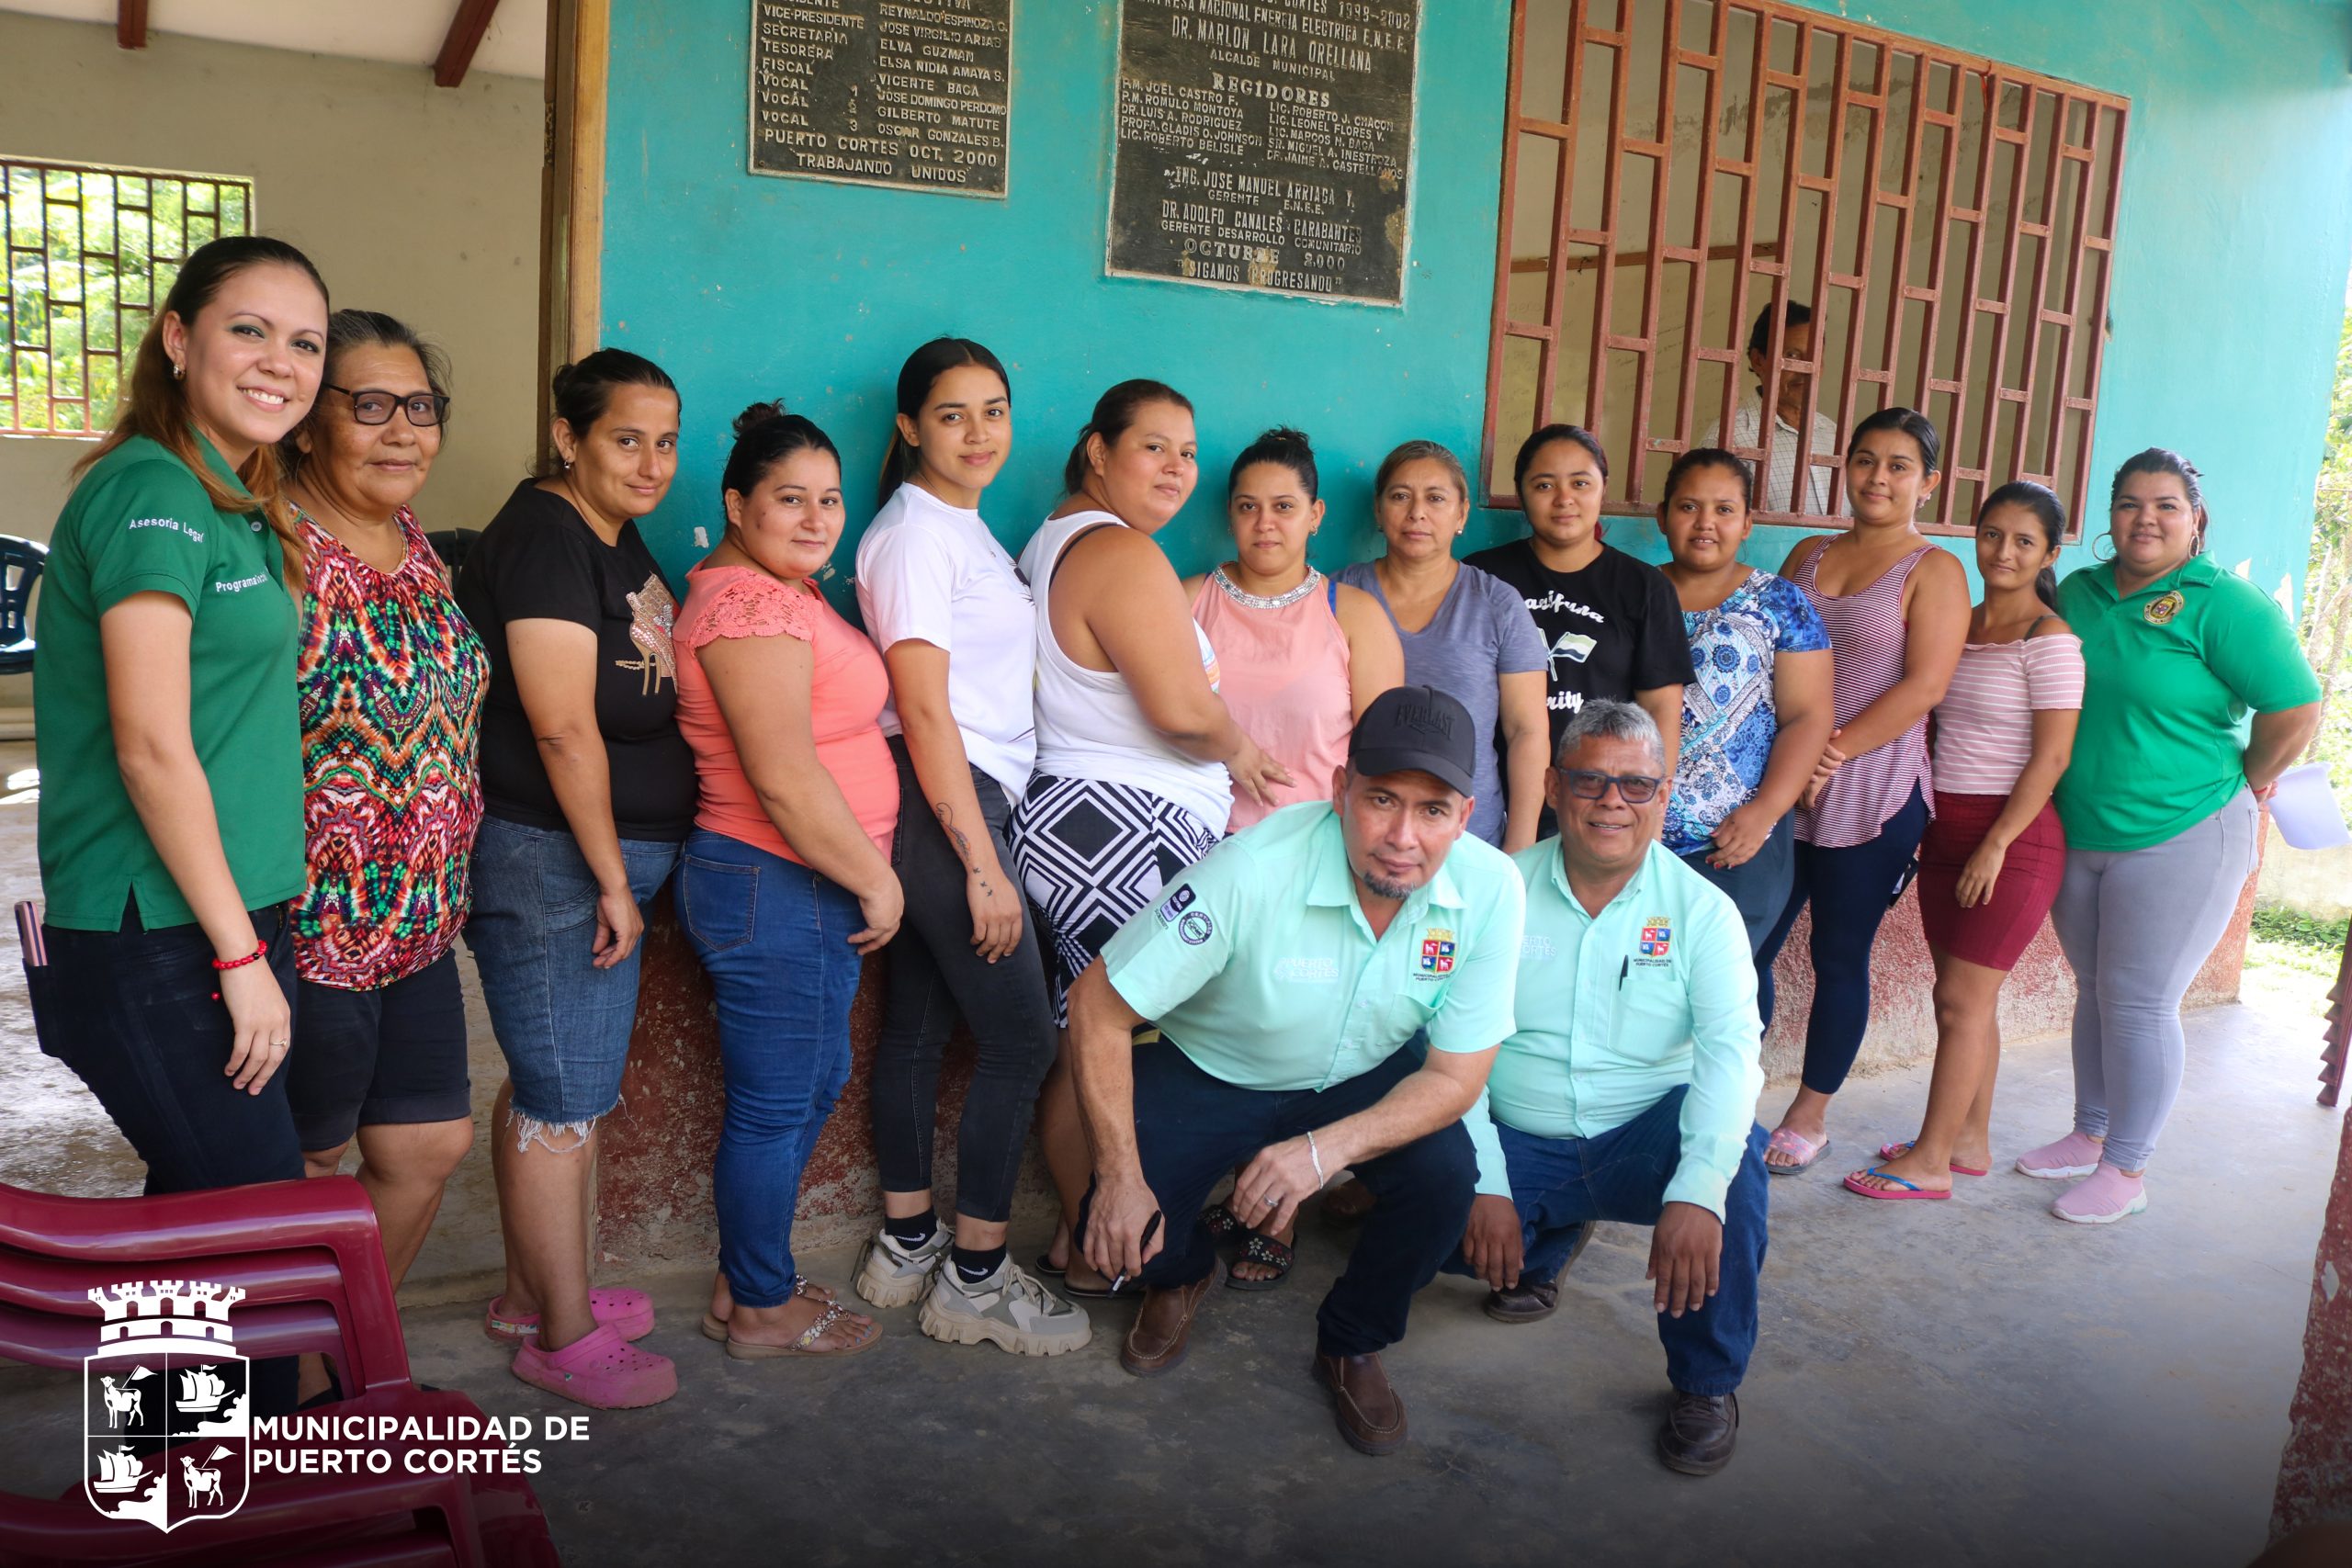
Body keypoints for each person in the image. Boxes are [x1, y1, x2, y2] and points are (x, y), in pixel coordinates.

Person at [30, 233, 326, 1419]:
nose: (279, 359)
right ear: (178, 336)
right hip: (161, 933)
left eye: (303, 340)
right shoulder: (153, 488)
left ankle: (153, 1487)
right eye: (248, 328)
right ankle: (233, 1496)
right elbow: (153, 743)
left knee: (195, 1232)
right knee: (260, 1247)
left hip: (224, 909)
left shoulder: (236, 495)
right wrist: (241, 958)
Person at [1072, 686, 1524, 1457]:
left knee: (1446, 1179)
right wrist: (1118, 1173)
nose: (1402, 837)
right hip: (1218, 1067)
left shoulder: (1490, 889)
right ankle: (1181, 1275)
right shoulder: (1253, 868)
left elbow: (1454, 1079)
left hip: (1364, 1071)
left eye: (1433, 810)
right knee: (1117, 1227)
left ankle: (1352, 1340)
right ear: (1341, 789)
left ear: (1467, 814)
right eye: (1382, 799)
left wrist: (1324, 1150)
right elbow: (1096, 1007)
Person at [1008, 379, 1289, 1292]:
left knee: (1085, 1035)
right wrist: (1240, 748)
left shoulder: (1053, 540)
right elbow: (1176, 709)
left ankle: (1080, 1239)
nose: (1176, 468)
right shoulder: (1121, 553)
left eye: (1187, 452)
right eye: (1153, 447)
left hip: (1085, 823)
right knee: (1120, 1040)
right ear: (1097, 450)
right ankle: (1104, 1246)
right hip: (1123, 832)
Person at [457, 350, 695, 1407]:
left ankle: (531, 1290)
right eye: (625, 438)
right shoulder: (548, 537)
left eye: (665, 440)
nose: (651, 462)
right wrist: (609, 875)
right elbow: (559, 726)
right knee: (563, 1101)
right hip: (554, 856)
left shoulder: (608, 530)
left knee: (551, 1079)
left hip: (593, 858)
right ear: (569, 437)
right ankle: (558, 1336)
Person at [1452, 700, 1769, 1476]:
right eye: (1590, 781)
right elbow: (1446, 1043)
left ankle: (1705, 1382)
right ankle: (1549, 1233)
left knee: (1739, 1171)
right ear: (1555, 787)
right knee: (1433, 1226)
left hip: (1638, 1137)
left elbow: (1733, 1056)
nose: (1612, 802)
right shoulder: (1495, 889)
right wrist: (1485, 1181)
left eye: (1636, 786)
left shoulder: (1704, 913)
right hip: (1520, 1130)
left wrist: (1697, 1190)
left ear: (1664, 796)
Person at [851, 339, 1088, 1353]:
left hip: (951, 801)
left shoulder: (963, 531)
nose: (979, 432)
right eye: (952, 415)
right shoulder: (913, 537)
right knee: (1023, 1040)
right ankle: (977, 1279)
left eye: (993, 410)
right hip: (946, 803)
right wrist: (983, 863)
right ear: (909, 427)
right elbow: (923, 709)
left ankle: (906, 1242)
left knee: (915, 1028)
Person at [2023, 450, 2319, 1223]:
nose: (2144, 519)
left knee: (2141, 1001)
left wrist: (2248, 778)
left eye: (2165, 505)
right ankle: (2090, 1134)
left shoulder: (2227, 604)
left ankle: (2127, 1169)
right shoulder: (2077, 594)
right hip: (2079, 829)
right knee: (2097, 991)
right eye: (2128, 504)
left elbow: (2294, 709)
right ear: (2109, 516)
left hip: (2185, 833)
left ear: (2196, 519)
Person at [674, 402, 901, 1359]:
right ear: (735, 501)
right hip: (778, 879)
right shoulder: (747, 605)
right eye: (788, 499)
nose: (815, 519)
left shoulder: (778, 589)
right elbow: (782, 776)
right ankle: (762, 1307)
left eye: (830, 500)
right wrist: (876, 883)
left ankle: (747, 1275)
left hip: (796, 885)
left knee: (811, 1083)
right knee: (777, 1102)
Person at [281, 311, 485, 1299]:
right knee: (299, 1169)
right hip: (308, 928)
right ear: (310, 422)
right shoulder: (274, 546)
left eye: (420, 406)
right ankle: (222, 1421)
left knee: (427, 1146)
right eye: (370, 406)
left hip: (416, 925)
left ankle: (326, 1374)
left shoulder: (415, 547)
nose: (403, 429)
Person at [1752, 407, 1969, 1173]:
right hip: (1783, 781)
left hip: (1872, 788)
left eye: (1900, 465)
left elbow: (1925, 686)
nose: (1879, 477)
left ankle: (1809, 1112)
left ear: (1928, 481)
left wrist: (1830, 752)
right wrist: (1787, 761)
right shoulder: (1807, 553)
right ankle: (1721, 1088)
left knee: (1841, 953)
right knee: (1747, 944)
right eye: (1866, 459)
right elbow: (1765, 652)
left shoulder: (1934, 570)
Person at [1850, 483, 2081, 1201]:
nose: (2003, 552)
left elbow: (2051, 758)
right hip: (1944, 825)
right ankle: (1968, 1141)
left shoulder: (2051, 640)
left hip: (2012, 837)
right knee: (1964, 1002)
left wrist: (1996, 844)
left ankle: (1930, 1160)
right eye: (1991, 534)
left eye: (2023, 540)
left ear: (2049, 552)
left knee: (1958, 1002)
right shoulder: (1967, 622)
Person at [1464, 423, 1692, 834]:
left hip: (1600, 805)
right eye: (1544, 485)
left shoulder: (1644, 587)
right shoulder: (1483, 575)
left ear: (1603, 488)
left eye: (1581, 483)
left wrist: (1652, 817)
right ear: (1521, 495)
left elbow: (1660, 711)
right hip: (1489, 801)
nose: (1564, 499)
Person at [1655, 447, 1834, 954]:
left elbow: (1808, 716)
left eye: (1725, 509)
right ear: (1662, 516)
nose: (1705, 523)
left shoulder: (1780, 603)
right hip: (1631, 835)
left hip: (1737, 838)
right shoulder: (1634, 593)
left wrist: (1766, 811)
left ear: (1748, 523)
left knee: (1727, 982)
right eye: (1688, 507)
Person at [1339, 442, 1550, 851]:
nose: (1417, 512)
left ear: (1462, 514)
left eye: (1435, 498)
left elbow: (1527, 731)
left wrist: (1519, 848)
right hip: (1360, 833)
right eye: (1400, 496)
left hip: (1469, 838)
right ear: (1379, 512)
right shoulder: (1338, 595)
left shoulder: (1498, 604)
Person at [1699, 301, 1844, 515]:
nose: (1806, 369)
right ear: (1759, 361)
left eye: (1814, 355)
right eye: (1792, 355)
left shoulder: (1834, 435)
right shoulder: (1729, 439)